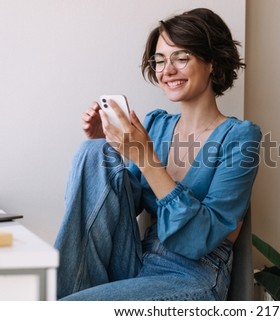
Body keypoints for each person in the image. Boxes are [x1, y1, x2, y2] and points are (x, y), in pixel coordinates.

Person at [54, 8, 261, 300]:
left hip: (192, 273)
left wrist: (146, 159)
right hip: (138, 259)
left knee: (60, 309)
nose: (167, 71)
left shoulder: (240, 137)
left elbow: (201, 238)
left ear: (212, 62)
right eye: (160, 60)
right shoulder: (156, 124)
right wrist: (106, 148)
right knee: (94, 152)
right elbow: (123, 205)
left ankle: (59, 297)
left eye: (181, 58)